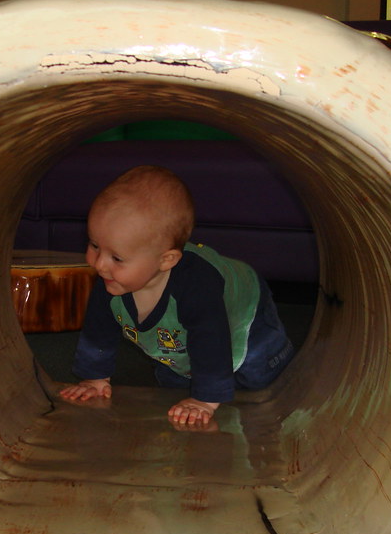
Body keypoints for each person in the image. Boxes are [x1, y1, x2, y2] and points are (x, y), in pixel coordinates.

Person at [58, 165, 295, 427]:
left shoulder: (197, 287)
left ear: (166, 260)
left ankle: (271, 375)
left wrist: (205, 400)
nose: (100, 264)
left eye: (116, 257)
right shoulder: (112, 279)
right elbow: (97, 330)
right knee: (174, 383)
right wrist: (95, 378)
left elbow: (211, 339)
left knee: (258, 372)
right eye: (94, 245)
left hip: (243, 308)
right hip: (179, 331)